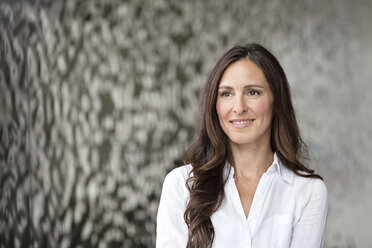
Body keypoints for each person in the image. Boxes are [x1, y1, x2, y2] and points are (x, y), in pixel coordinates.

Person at [156, 43, 328, 248]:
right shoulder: (181, 185)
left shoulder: (308, 192)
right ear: (215, 105)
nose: (238, 108)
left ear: (277, 102)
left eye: (253, 92)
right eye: (226, 94)